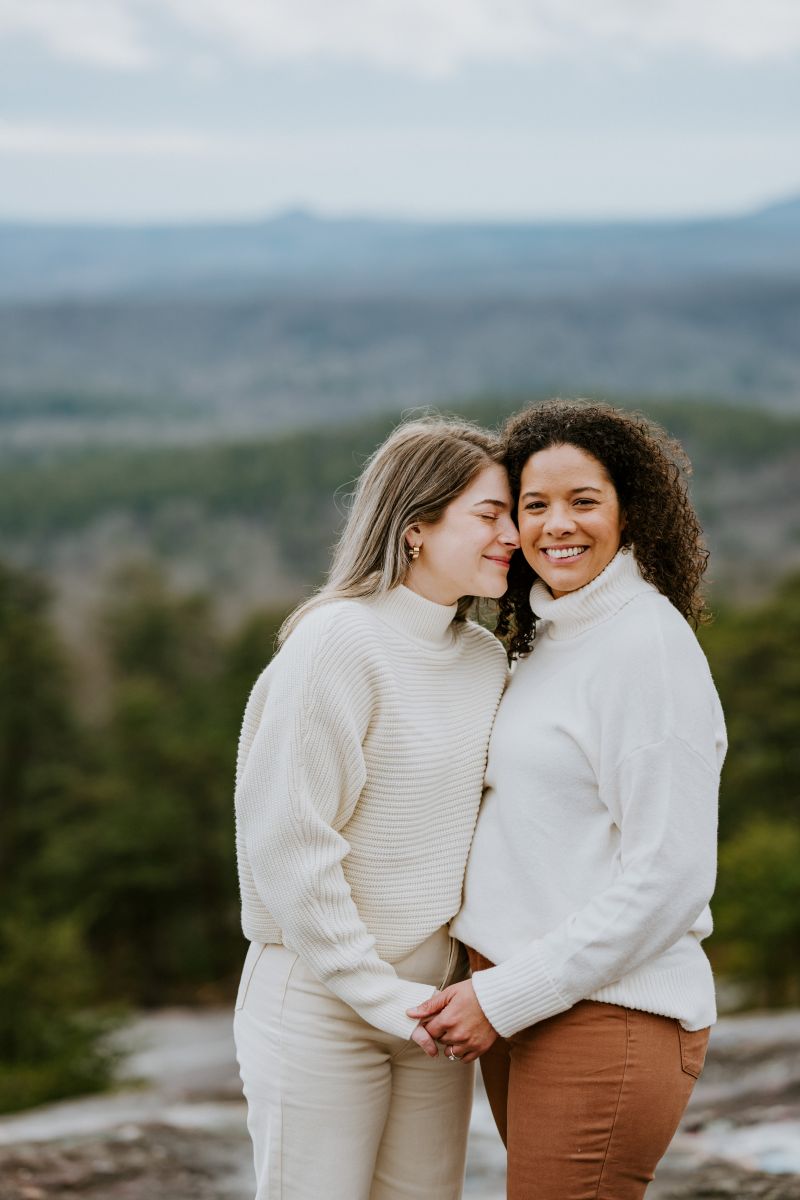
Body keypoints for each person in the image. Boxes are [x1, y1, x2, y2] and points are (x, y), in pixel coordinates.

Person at [409, 400, 727, 1200]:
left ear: (631, 511)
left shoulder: (645, 647)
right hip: (525, 1007)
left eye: (584, 501)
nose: (558, 525)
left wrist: (503, 997)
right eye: (534, 504)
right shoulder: (553, 637)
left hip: (606, 1015)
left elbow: (671, 875)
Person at [233, 416, 520, 1200]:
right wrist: (374, 990)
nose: (513, 538)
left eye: (512, 517)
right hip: (322, 1001)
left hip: (436, 1012)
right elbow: (289, 842)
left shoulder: (483, 658)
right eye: (490, 516)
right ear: (417, 527)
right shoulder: (337, 643)